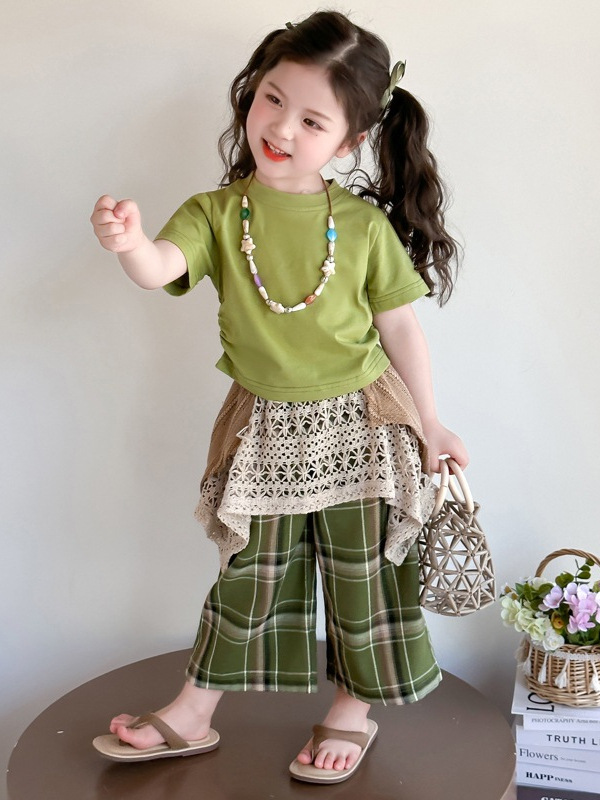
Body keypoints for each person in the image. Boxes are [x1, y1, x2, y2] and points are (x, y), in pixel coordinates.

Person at [90, 10, 469, 784]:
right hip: (264, 426)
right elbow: (162, 267)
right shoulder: (216, 213)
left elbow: (401, 330)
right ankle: (193, 711)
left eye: (312, 120)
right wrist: (129, 244)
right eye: (272, 99)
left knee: (363, 575)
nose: (281, 127)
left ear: (351, 141)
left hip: (365, 423)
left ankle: (352, 711)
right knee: (250, 573)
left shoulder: (362, 227)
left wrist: (432, 423)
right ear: (251, 92)